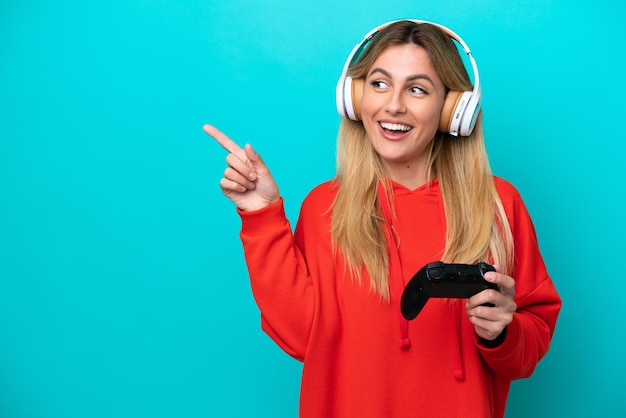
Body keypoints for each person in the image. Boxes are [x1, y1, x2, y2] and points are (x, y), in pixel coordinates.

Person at [205, 20, 561, 418]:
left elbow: (527, 350)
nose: (393, 105)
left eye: (417, 89)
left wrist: (501, 332)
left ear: (451, 109)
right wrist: (260, 216)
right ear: (354, 97)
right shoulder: (325, 207)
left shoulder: (498, 204)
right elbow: (302, 337)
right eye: (379, 84)